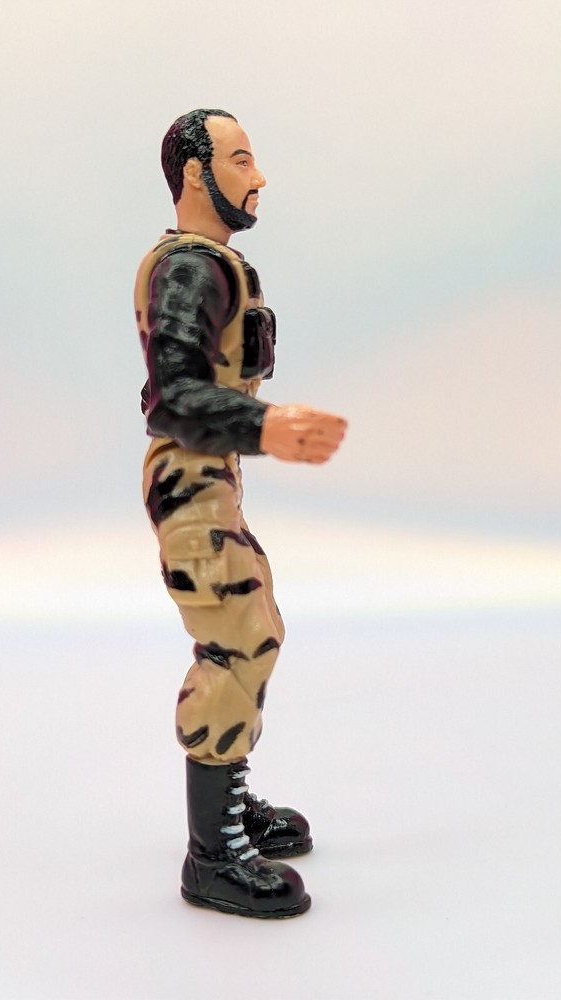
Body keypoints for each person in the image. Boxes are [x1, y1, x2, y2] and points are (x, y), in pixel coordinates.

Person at [135, 109, 346, 918]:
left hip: (210, 477)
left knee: (255, 630)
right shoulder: (190, 269)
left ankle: (227, 799)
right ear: (196, 174)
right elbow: (174, 397)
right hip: (189, 480)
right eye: (239, 159)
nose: (257, 178)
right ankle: (212, 854)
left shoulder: (212, 263)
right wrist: (267, 426)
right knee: (236, 641)